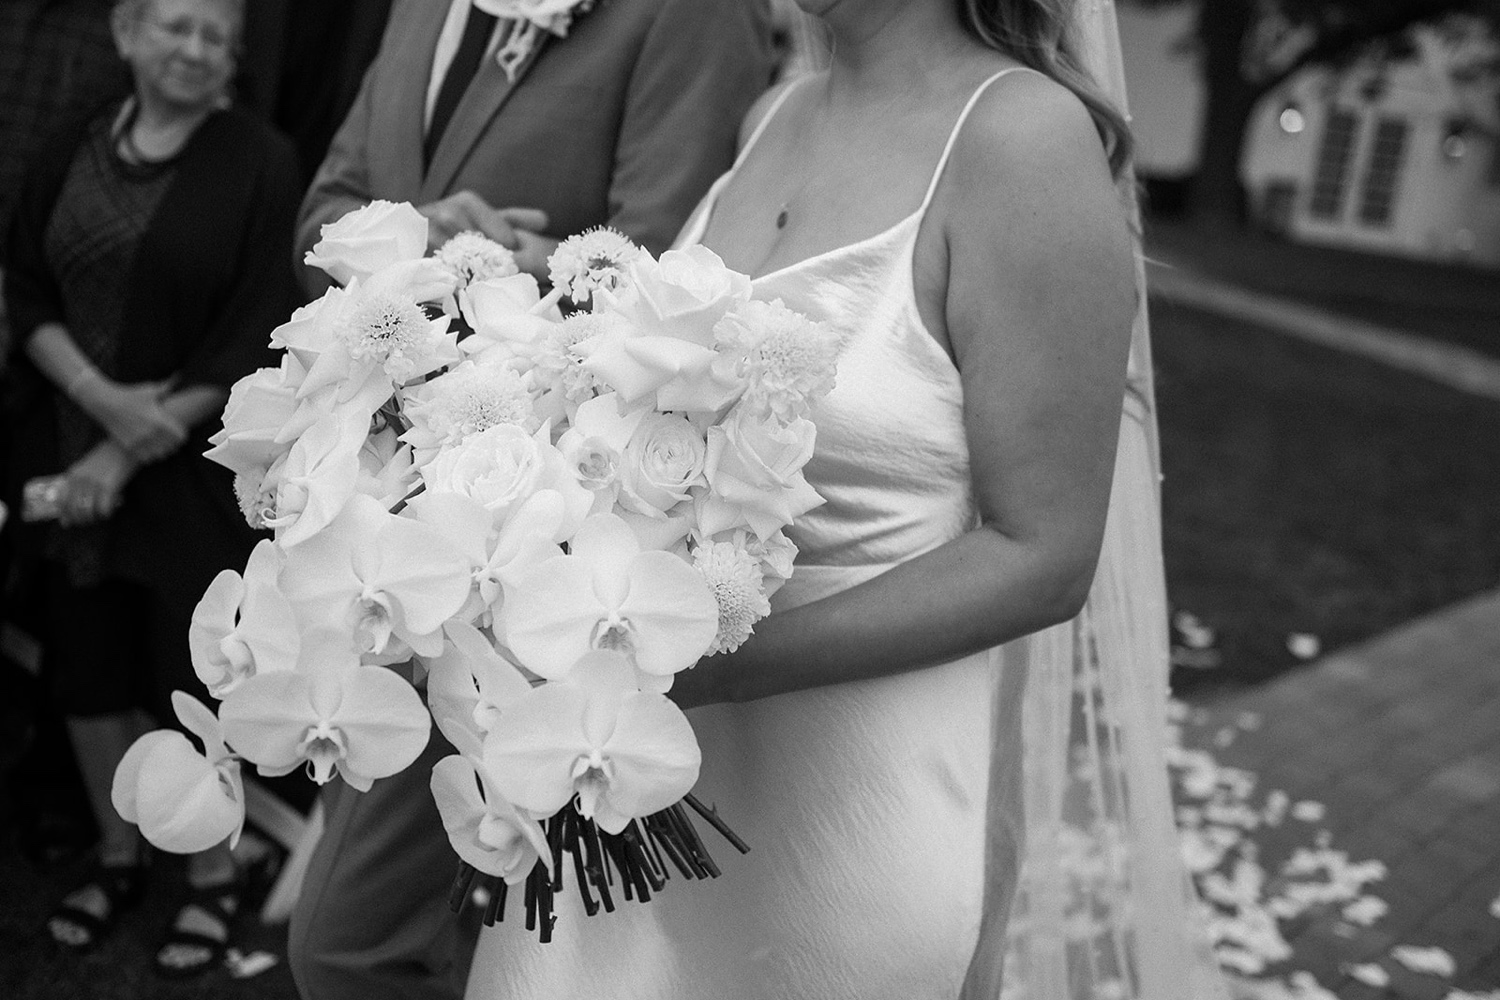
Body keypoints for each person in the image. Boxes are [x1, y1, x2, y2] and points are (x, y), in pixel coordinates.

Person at [462, 0, 1232, 997]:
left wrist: (700, 669)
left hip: (851, 818)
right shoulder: (775, 116)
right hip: (636, 778)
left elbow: (1041, 556)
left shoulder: (1021, 143)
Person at [287, 2, 774, 998]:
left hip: (533, 556)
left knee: (349, 943)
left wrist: (490, 277)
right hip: (380, 518)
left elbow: (667, 279)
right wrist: (421, 259)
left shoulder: (693, 16)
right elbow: (327, 212)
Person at [2, 0, 301, 978]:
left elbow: (260, 322)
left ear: (235, 62)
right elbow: (25, 281)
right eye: (176, 26)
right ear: (127, 35)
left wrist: (131, 443)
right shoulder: (78, 138)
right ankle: (121, 854)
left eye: (217, 36)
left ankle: (212, 877)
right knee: (87, 676)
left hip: (190, 472)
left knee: (188, 682)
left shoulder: (258, 162)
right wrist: (95, 401)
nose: (196, 47)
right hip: (62, 451)